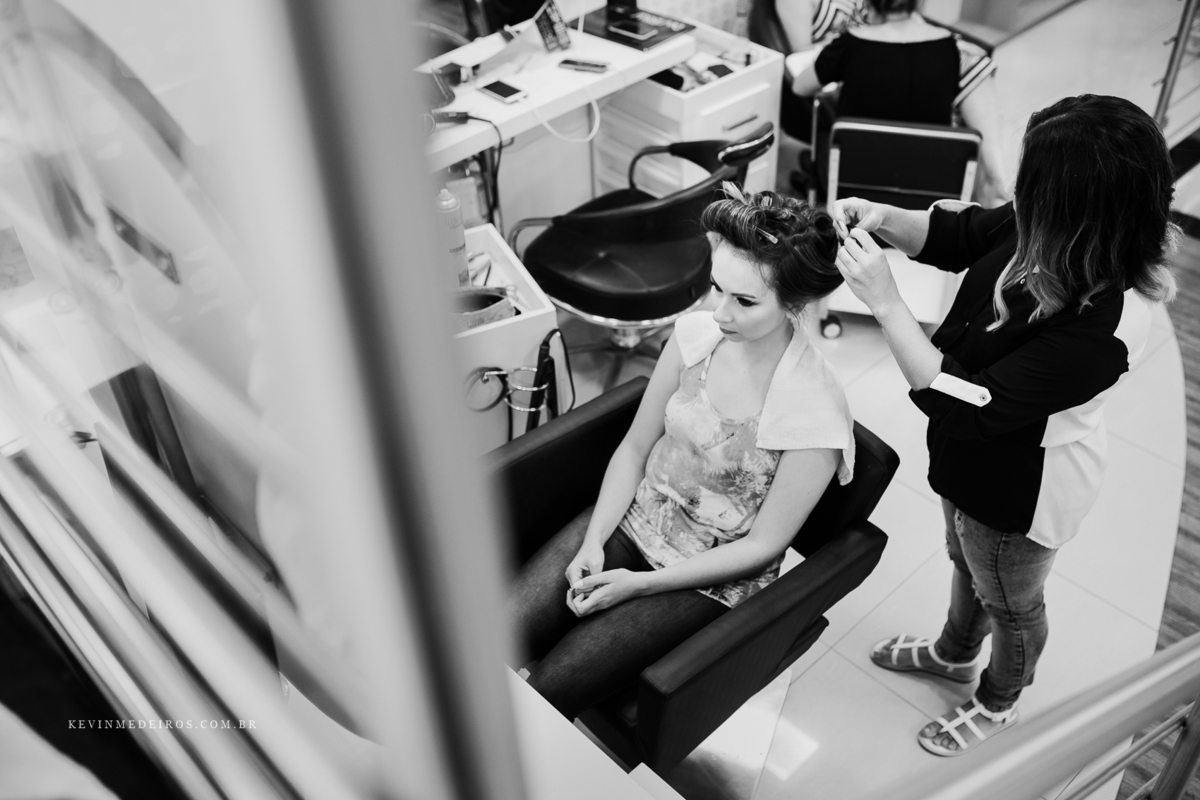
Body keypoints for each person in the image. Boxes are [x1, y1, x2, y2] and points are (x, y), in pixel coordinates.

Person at [831, 94, 1177, 755]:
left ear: (1080, 207)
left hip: (1022, 489)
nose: (1019, 197)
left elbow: (970, 404)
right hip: (970, 459)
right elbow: (965, 235)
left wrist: (886, 303)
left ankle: (999, 700)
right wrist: (883, 219)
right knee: (964, 558)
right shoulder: (1052, 223)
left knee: (1011, 604)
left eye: (1032, 186)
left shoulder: (1108, 324)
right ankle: (955, 652)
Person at [508, 186, 854, 719]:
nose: (720, 313)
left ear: (794, 303)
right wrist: (594, 540)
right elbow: (635, 448)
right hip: (635, 519)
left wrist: (640, 586)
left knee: (544, 695)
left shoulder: (816, 410)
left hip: (712, 575)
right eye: (717, 289)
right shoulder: (693, 338)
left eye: (744, 301)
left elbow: (764, 545)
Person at [782, 0, 1008, 205]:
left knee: (827, 138)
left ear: (869, 5)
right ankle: (995, 181)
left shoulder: (848, 44)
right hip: (928, 187)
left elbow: (800, 86)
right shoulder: (949, 47)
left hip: (857, 186)